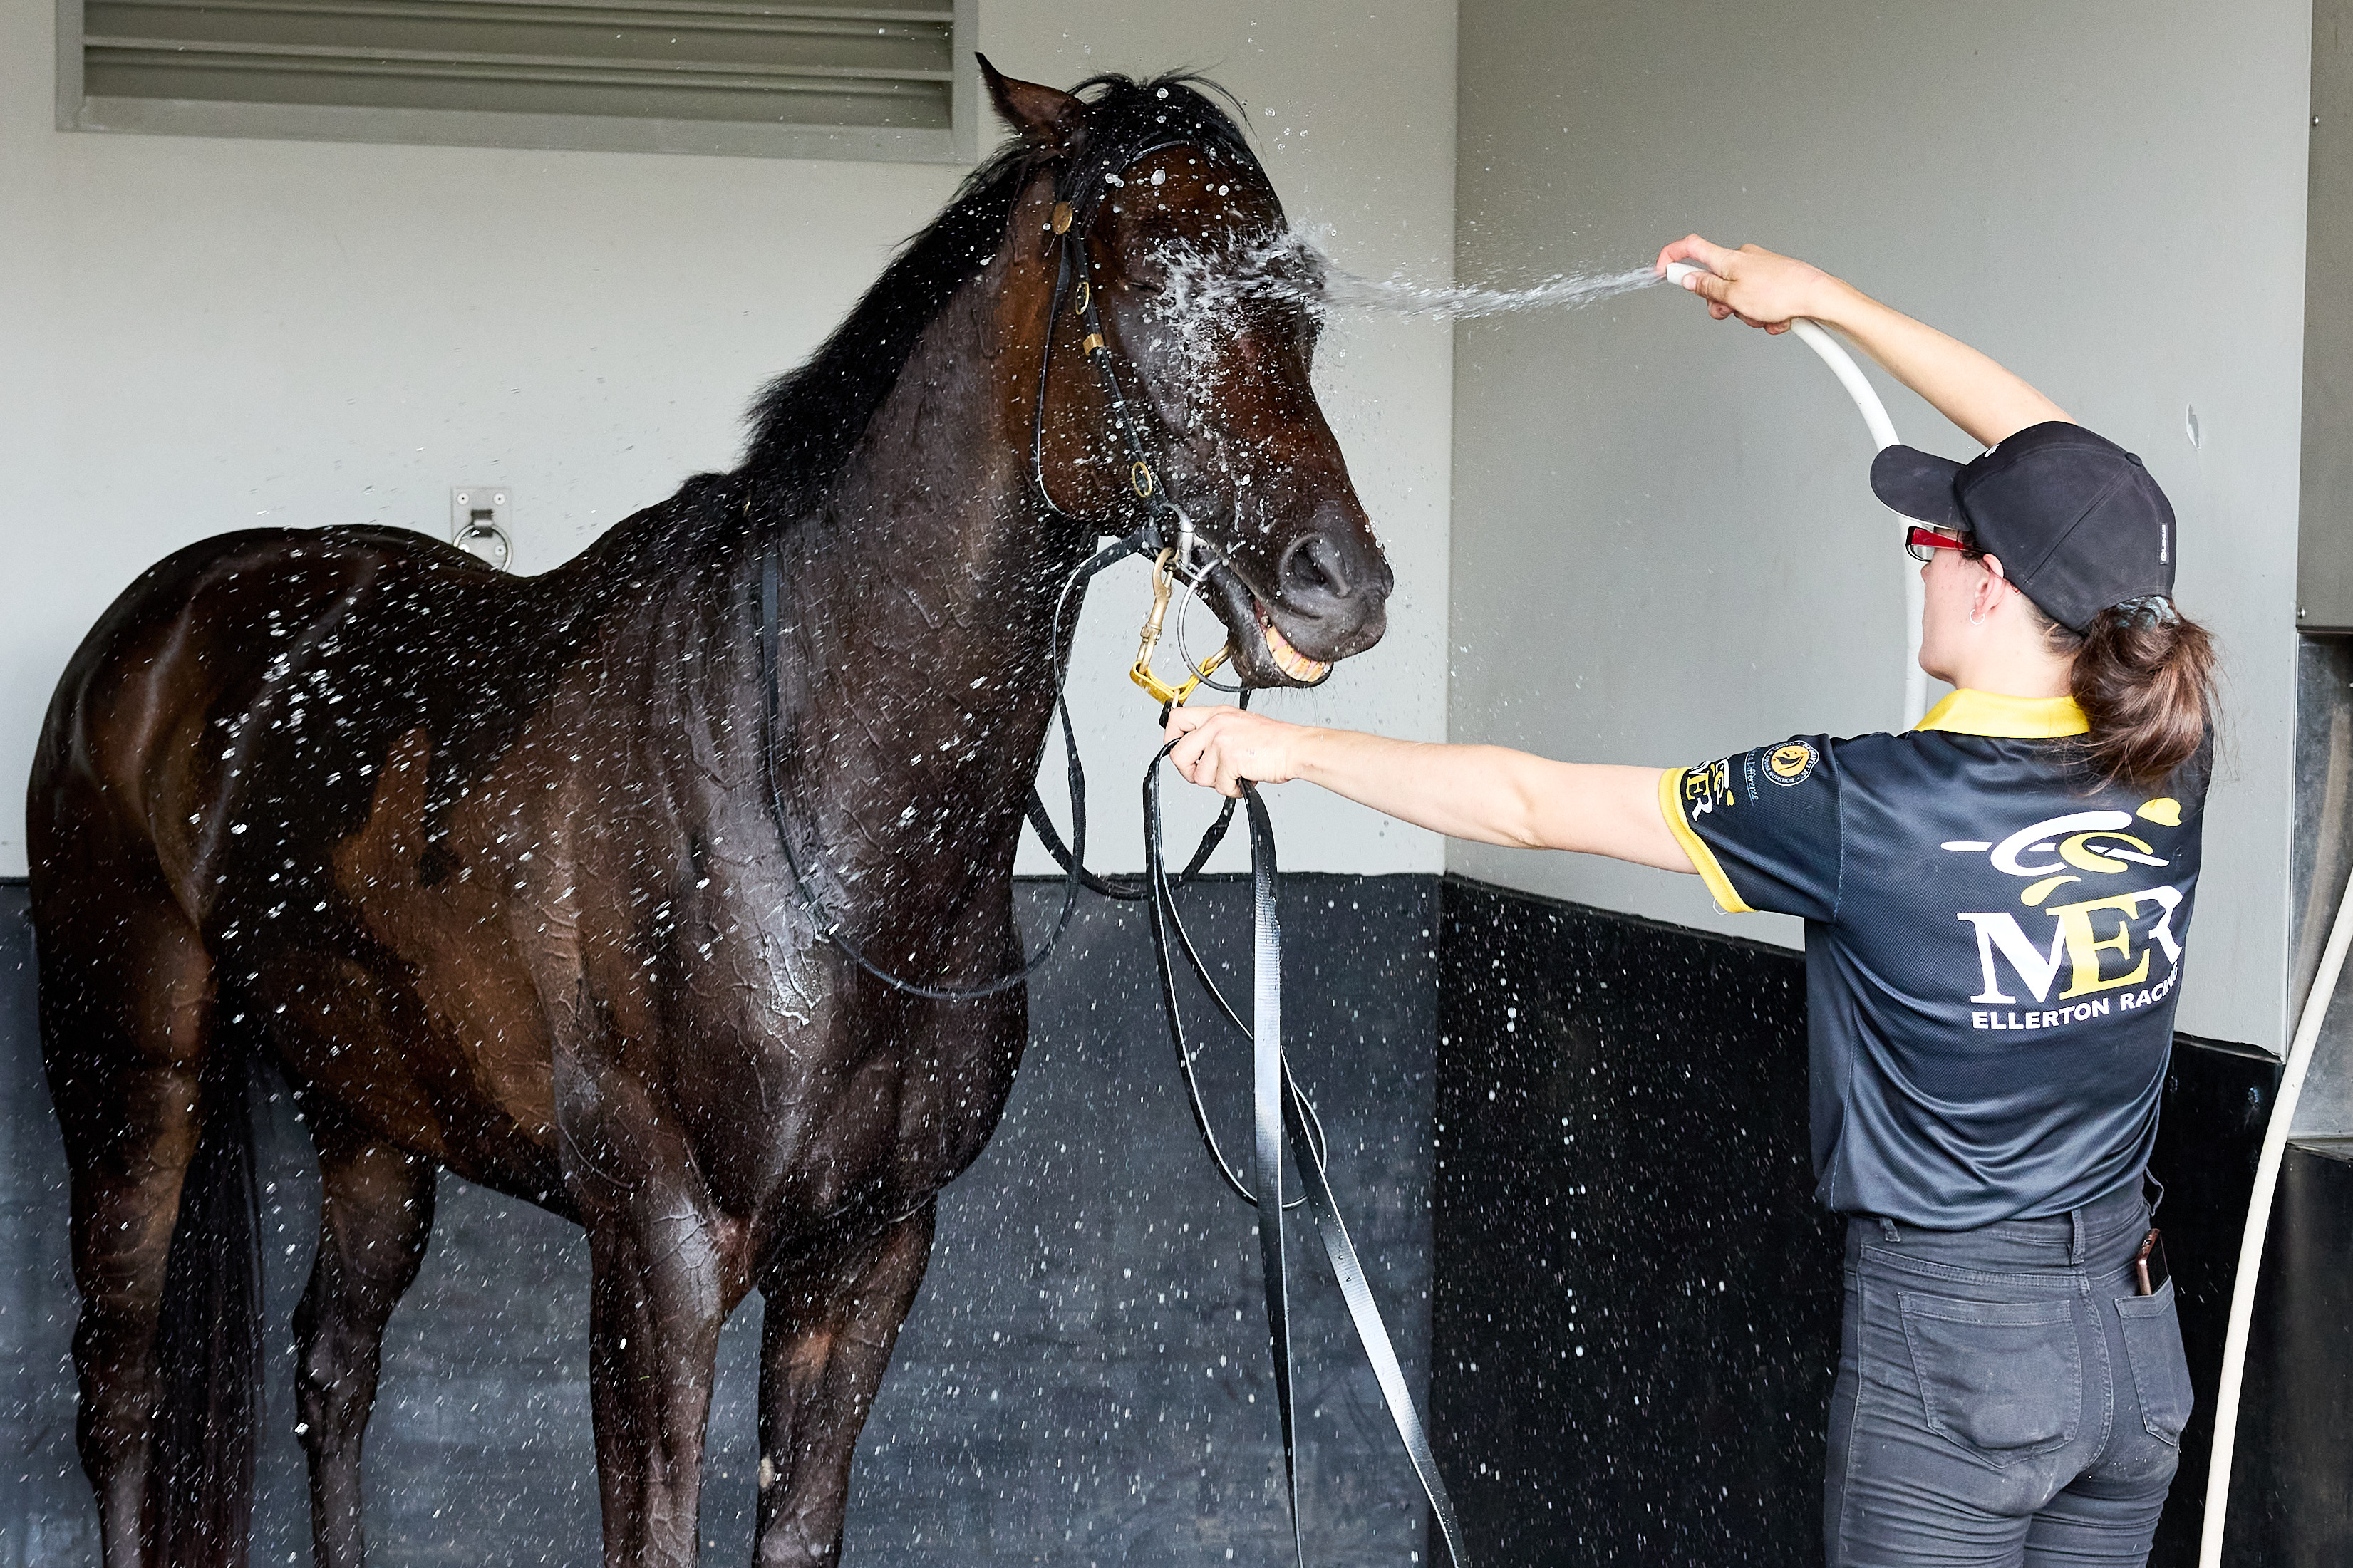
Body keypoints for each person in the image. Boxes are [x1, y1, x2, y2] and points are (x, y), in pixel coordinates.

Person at [1164, 234, 2218, 1568]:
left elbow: (1532, 807)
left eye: (1937, 536)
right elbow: (2076, 480)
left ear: (1991, 585)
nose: (1919, 550)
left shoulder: (1865, 804)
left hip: (1958, 1363)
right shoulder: (2167, 740)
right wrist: (1827, 298)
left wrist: (1290, 749)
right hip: (2132, 1348)